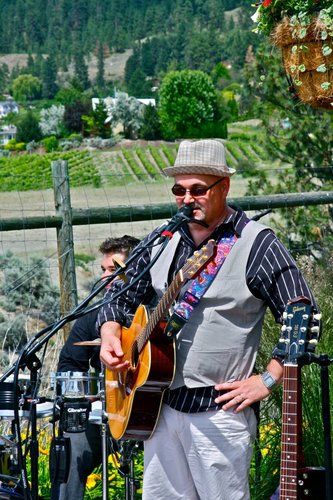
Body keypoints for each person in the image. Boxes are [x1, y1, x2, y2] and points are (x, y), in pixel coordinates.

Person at [97, 139, 319, 500]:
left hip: (219, 415)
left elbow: (302, 311)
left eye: (198, 189)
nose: (187, 199)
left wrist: (267, 378)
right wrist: (110, 333)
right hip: (159, 408)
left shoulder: (256, 243)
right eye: (179, 191)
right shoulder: (161, 240)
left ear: (224, 187)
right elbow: (117, 296)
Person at [51, 235, 140, 500]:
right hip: (107, 415)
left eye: (113, 270)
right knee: (69, 444)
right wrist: (82, 393)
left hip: (155, 413)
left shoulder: (152, 311)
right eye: (103, 270)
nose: (104, 277)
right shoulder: (91, 317)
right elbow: (68, 364)